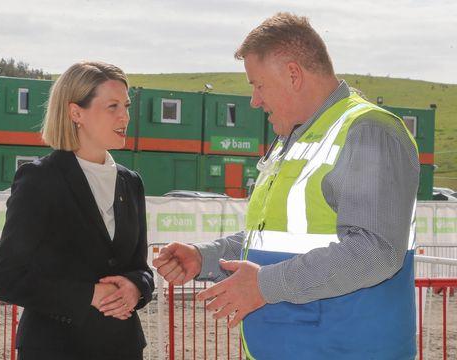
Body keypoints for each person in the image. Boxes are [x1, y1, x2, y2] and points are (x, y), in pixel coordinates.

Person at [153, 13, 419, 360]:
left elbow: (375, 251)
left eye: (258, 85)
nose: (254, 100)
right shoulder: (292, 140)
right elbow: (276, 239)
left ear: (293, 74)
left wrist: (265, 285)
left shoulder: (367, 131)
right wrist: (205, 257)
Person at [0, 61, 154, 360]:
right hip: (54, 349)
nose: (125, 116)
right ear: (75, 112)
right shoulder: (39, 179)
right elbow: (8, 280)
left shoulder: (131, 183)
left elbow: (141, 268)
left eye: (127, 105)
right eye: (112, 106)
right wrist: (89, 295)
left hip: (123, 348)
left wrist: (136, 287)